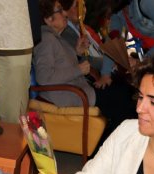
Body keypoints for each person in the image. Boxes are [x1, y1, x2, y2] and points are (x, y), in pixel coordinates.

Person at [34, 0, 137, 137]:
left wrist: (77, 53)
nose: (64, 13)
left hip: (77, 90)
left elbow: (60, 64)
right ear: (48, 19)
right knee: (123, 95)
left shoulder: (54, 38)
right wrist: (78, 69)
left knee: (122, 91)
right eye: (59, 10)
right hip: (70, 95)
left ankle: (114, 140)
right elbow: (44, 77)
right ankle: (122, 142)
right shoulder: (46, 40)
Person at [59, 0, 117, 89]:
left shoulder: (84, 29)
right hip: (90, 78)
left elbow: (99, 49)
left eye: (84, 6)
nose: (83, 10)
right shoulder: (66, 33)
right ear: (65, 11)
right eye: (77, 6)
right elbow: (84, 60)